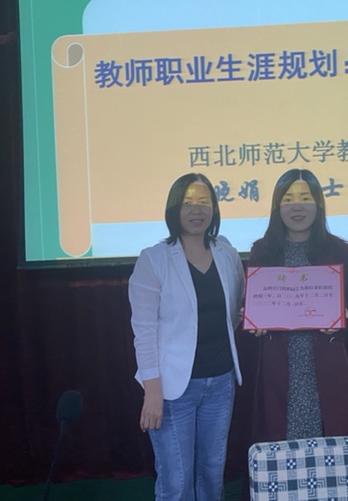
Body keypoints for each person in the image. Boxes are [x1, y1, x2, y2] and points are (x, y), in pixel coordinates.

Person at [128, 173, 244, 501]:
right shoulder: (154, 259)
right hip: (172, 390)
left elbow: (236, 311)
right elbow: (144, 331)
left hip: (220, 383)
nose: (197, 209)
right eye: (188, 202)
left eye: (204, 202)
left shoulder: (227, 253)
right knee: (177, 481)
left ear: (214, 209)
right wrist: (152, 392)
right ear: (174, 209)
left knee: (212, 474)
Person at [245, 168, 348, 443]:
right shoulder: (262, 250)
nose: (296, 206)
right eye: (287, 199)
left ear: (318, 204)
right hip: (280, 360)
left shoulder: (336, 249)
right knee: (281, 433)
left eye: (305, 198)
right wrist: (250, 318)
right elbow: (252, 301)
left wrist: (345, 313)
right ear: (277, 207)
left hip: (324, 357)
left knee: (330, 432)